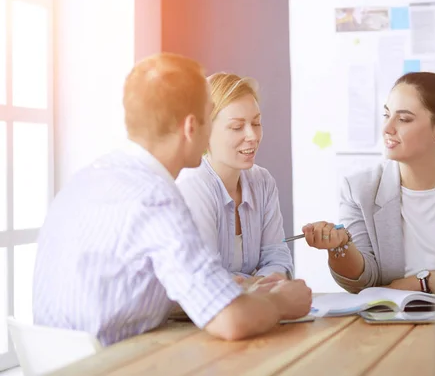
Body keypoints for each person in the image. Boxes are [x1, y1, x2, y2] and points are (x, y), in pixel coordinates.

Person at [32, 53, 311, 346]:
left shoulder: (87, 178)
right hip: (108, 365)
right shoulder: (156, 199)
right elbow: (229, 319)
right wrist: (281, 303)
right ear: (192, 128)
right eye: (208, 119)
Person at [302, 72, 435, 298]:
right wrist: (340, 247)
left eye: (403, 119)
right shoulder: (359, 190)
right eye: (386, 115)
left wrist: (414, 284)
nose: (387, 128)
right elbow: (364, 285)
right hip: (392, 323)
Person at [176, 73, 293, 288]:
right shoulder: (193, 185)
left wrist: (254, 286)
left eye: (256, 123)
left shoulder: (262, 182)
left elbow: (278, 259)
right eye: (237, 127)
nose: (252, 136)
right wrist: (260, 285)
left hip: (250, 308)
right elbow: (205, 279)